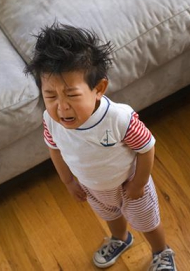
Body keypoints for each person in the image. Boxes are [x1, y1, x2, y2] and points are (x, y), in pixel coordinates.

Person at [24, 22, 176, 271]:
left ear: (98, 89)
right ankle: (121, 239)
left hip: (130, 185)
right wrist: (68, 182)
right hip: (93, 188)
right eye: (50, 96)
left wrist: (138, 183)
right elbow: (54, 149)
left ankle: (161, 251)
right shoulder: (51, 120)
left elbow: (147, 147)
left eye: (71, 95)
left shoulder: (118, 119)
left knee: (148, 222)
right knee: (111, 217)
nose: (61, 107)